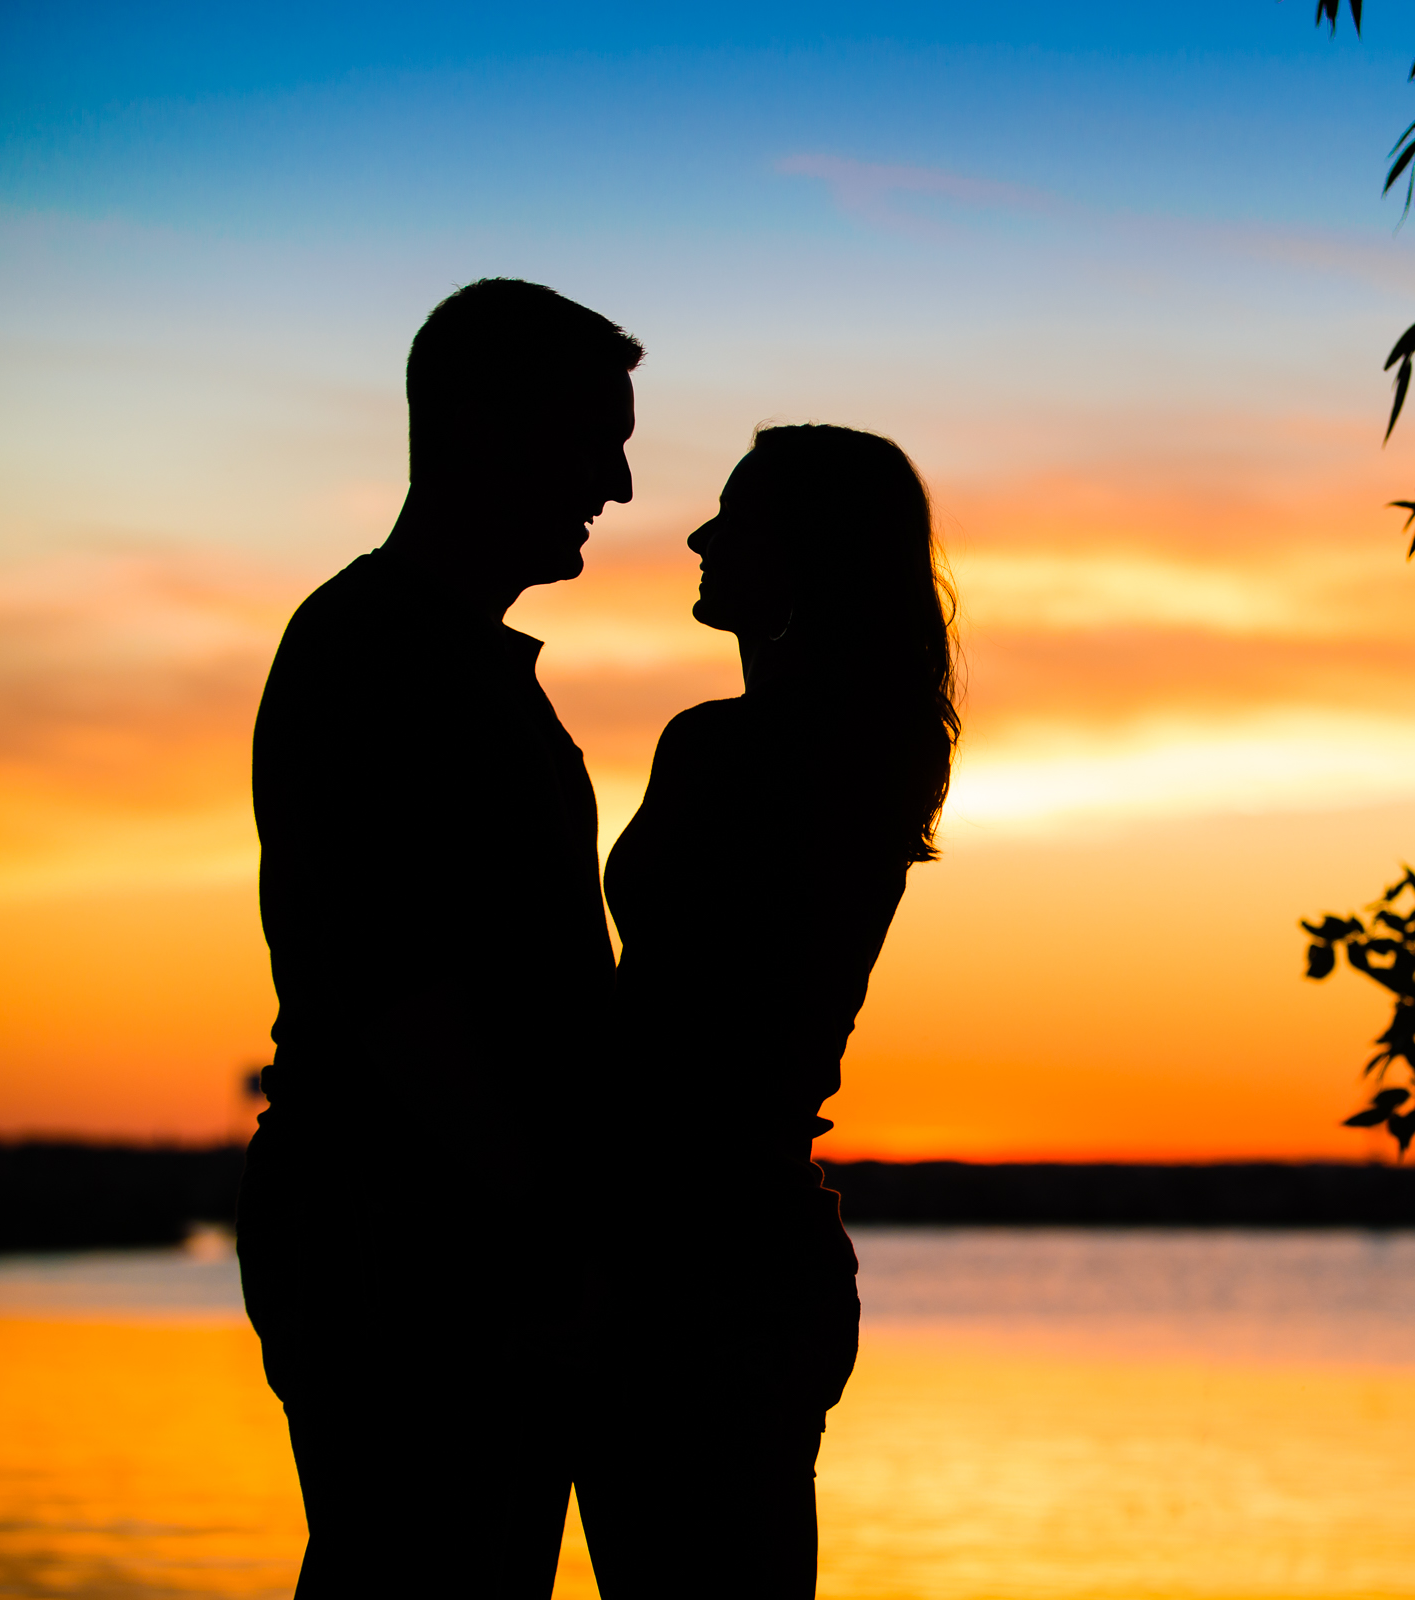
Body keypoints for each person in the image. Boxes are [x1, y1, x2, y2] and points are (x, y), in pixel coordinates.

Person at [239, 278, 642, 1598]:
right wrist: (532, 1219)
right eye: (599, 441)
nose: (622, 486)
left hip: (455, 1238)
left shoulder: (445, 658)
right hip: (412, 1255)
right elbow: (393, 984)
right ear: (494, 432)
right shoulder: (379, 657)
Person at [578, 424, 959, 1595]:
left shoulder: (731, 749)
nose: (697, 535)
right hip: (753, 1238)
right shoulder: (877, 746)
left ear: (809, 553)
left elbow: (670, 1030)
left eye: (734, 517)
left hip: (687, 1258)